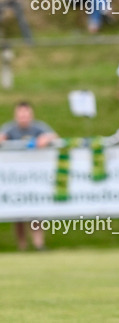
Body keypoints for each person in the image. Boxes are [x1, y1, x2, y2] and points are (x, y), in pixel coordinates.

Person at [0, 102, 57, 251]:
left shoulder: (39, 127)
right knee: (17, 214)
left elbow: (54, 136)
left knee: (36, 212)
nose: (23, 117)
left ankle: (39, 244)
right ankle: (22, 246)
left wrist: (46, 139)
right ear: (16, 115)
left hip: (35, 178)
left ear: (31, 115)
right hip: (14, 180)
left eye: (26, 114)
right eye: (21, 114)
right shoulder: (10, 128)